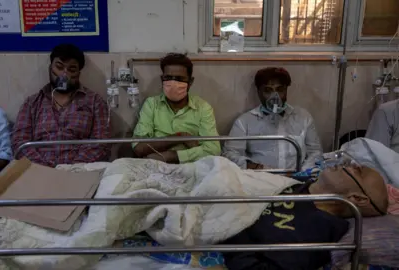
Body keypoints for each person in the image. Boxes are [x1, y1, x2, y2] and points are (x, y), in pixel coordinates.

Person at [222, 159, 389, 270]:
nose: (347, 162)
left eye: (357, 170)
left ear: (356, 198)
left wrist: (233, 220)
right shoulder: (300, 184)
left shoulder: (317, 233)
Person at [12, 44, 111, 167]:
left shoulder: (94, 102)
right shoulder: (32, 103)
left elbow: (101, 144)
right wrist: (44, 168)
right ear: (50, 68)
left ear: (78, 74)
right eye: (59, 67)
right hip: (38, 171)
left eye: (72, 69)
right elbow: (19, 143)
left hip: (80, 171)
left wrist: (72, 168)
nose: (64, 74)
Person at [222, 67, 322, 171]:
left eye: (280, 90)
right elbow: (230, 153)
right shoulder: (244, 122)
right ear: (259, 92)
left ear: (286, 90)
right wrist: (256, 167)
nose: (275, 97)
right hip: (261, 180)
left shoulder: (303, 118)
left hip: (297, 180)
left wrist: (302, 173)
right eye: (268, 90)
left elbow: (315, 152)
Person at [132, 53, 221, 164]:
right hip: (156, 167)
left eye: (179, 79)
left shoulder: (203, 108)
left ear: (190, 82)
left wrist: (172, 156)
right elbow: (138, 147)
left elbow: (213, 150)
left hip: (192, 167)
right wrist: (179, 137)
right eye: (168, 78)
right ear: (162, 79)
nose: (173, 83)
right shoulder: (151, 104)